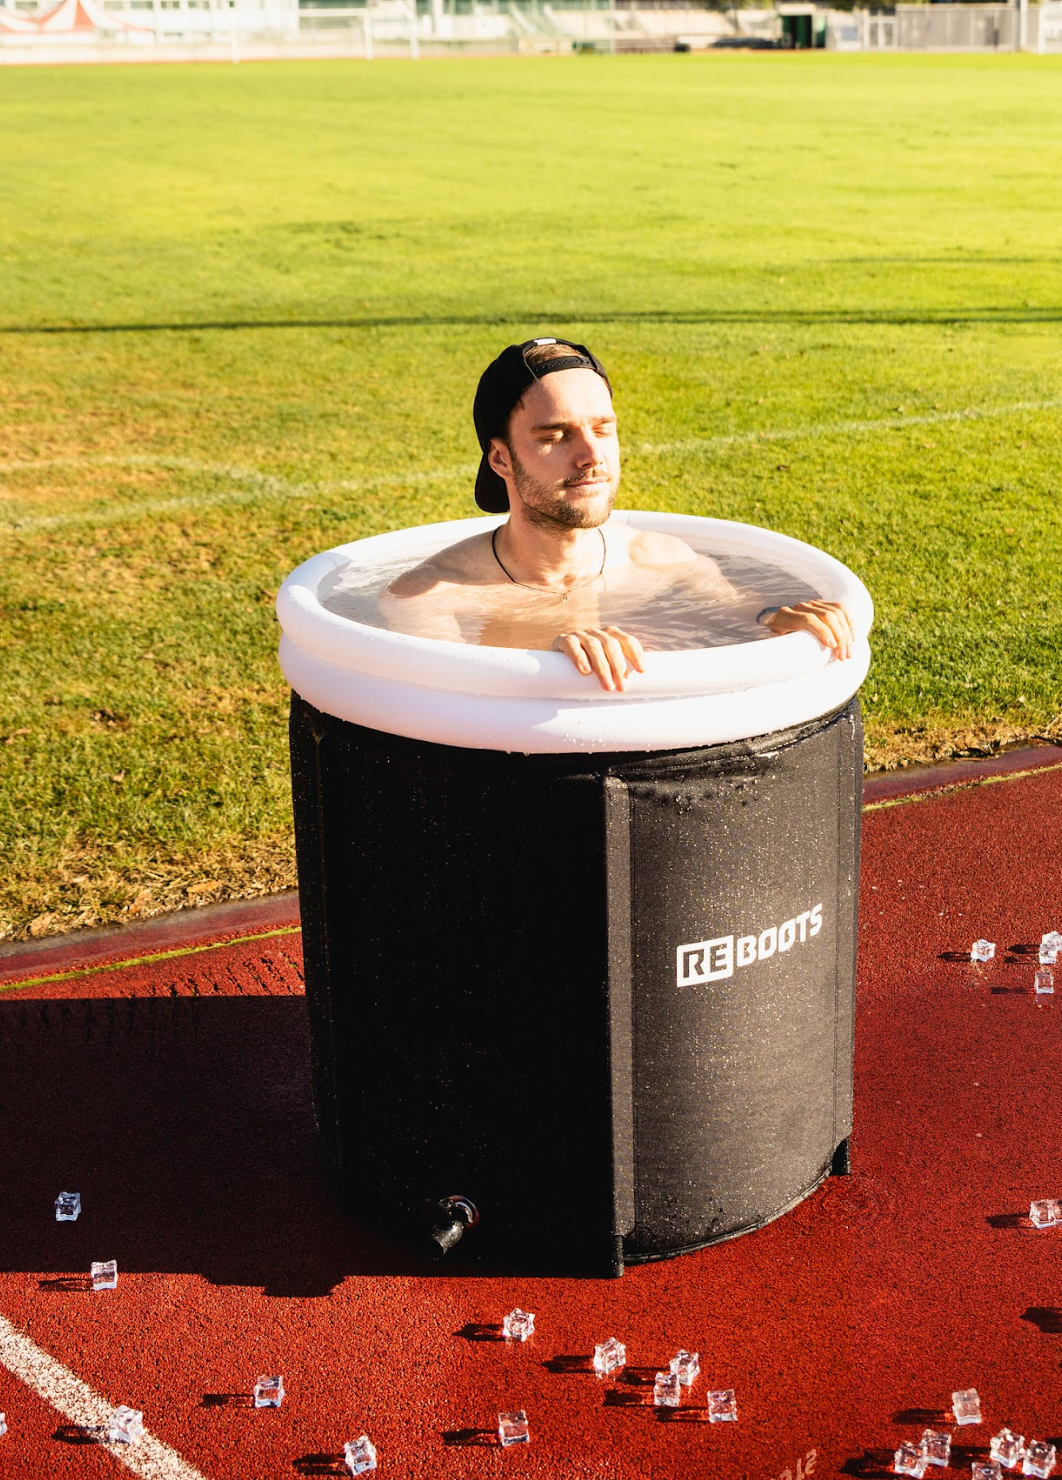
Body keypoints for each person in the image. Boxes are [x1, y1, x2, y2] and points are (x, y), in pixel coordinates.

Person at [381, 338, 854, 692]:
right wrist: (544, 658)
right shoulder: (430, 595)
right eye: (555, 436)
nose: (591, 456)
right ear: (501, 459)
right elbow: (449, 704)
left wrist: (778, 617)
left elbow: (739, 610)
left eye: (602, 430)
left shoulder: (657, 555)